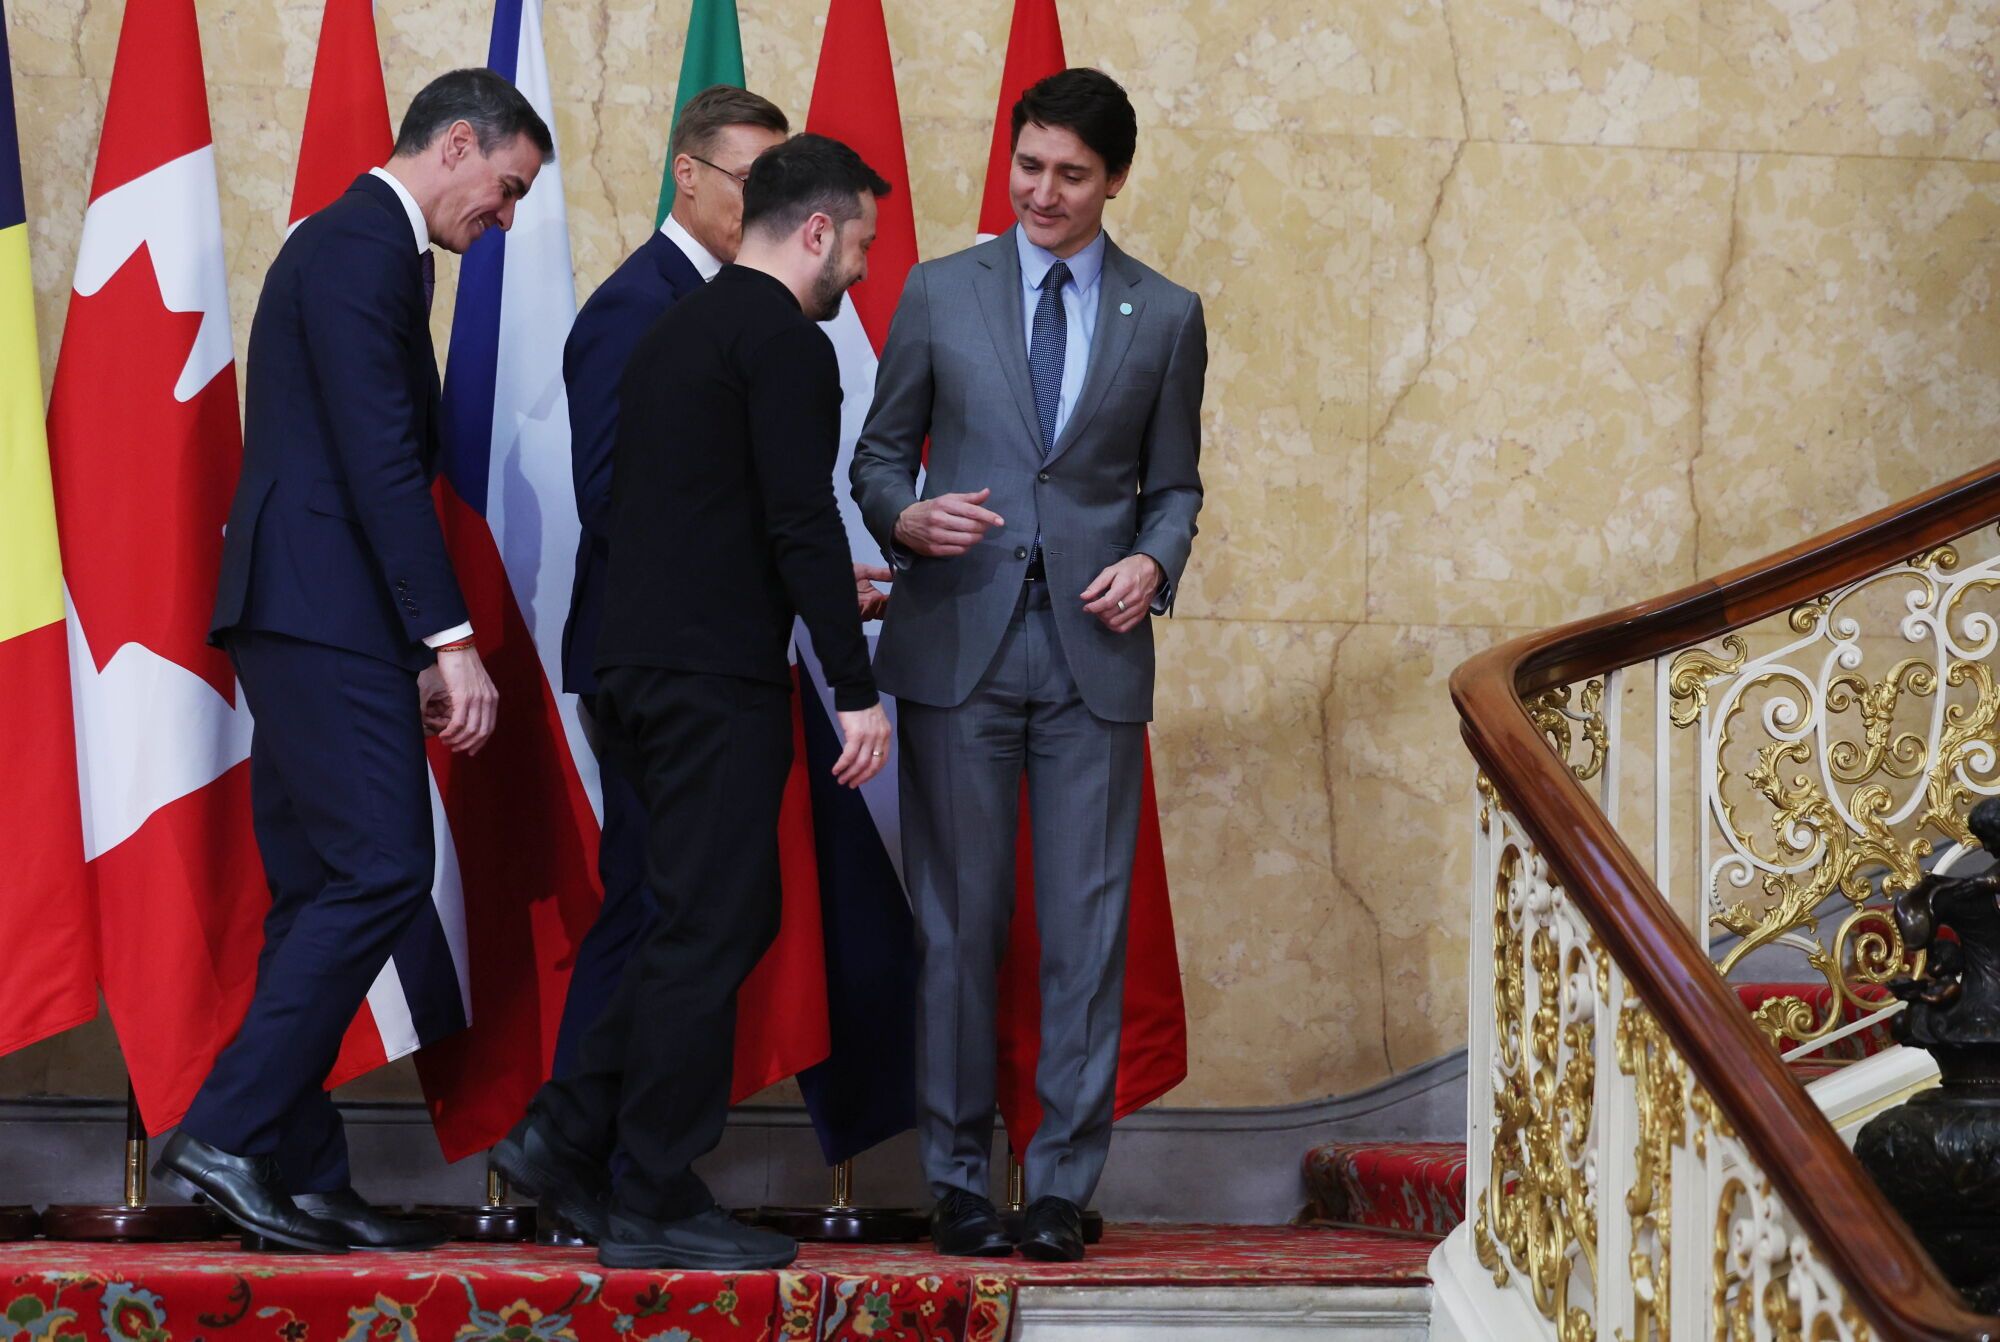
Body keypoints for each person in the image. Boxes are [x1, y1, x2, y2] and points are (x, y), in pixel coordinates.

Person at [153, 69, 551, 1253]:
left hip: (315, 612)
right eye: (507, 187)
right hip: (319, 608)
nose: (508, 217)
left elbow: (348, 454)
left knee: (321, 889)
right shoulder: (362, 246)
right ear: (458, 144)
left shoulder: (366, 247)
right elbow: (379, 461)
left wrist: (409, 645)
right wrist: (448, 639)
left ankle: (295, 1165)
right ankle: (224, 1129)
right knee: (381, 869)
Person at [495, 133, 895, 1272]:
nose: (861, 269)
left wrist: (799, 587)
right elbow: (796, 518)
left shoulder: (679, 326)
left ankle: (568, 1132)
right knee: (709, 925)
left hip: (633, 666)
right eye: (858, 243)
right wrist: (853, 690)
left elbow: (686, 507)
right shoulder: (784, 342)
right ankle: (650, 1188)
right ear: (816, 229)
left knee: (694, 916)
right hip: (709, 682)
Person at [850, 67, 1206, 1263]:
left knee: (1085, 927)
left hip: (1092, 658)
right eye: (1028, 166)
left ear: (1113, 181)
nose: (1041, 192)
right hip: (956, 644)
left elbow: (1176, 487)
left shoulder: (1164, 315)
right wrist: (903, 519)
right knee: (956, 925)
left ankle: (1057, 1184)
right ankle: (957, 1179)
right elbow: (879, 454)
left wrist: (1154, 563)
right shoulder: (940, 289)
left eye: (1069, 174)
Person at [552, 84, 790, 1083]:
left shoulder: (729, 305)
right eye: (753, 182)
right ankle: (580, 1153)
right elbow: (614, 498)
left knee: (677, 905)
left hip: (702, 655)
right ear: (687, 175)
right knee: (655, 905)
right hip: (652, 662)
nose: (773, 208)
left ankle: (588, 1155)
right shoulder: (636, 308)